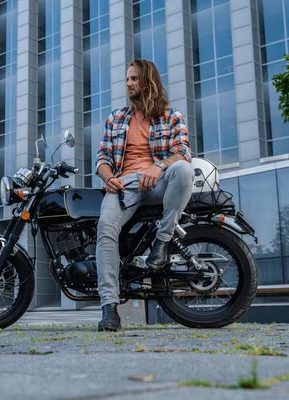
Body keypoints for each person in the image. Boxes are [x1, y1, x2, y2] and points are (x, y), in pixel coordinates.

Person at [95, 59, 194, 332]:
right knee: (105, 228)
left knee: (185, 170)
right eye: (127, 79)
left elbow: (183, 151)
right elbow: (102, 159)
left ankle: (161, 243)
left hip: (159, 181)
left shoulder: (171, 116)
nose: (128, 84)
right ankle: (109, 309)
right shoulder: (116, 118)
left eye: (134, 79)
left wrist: (158, 166)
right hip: (124, 186)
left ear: (148, 82)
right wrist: (109, 177)